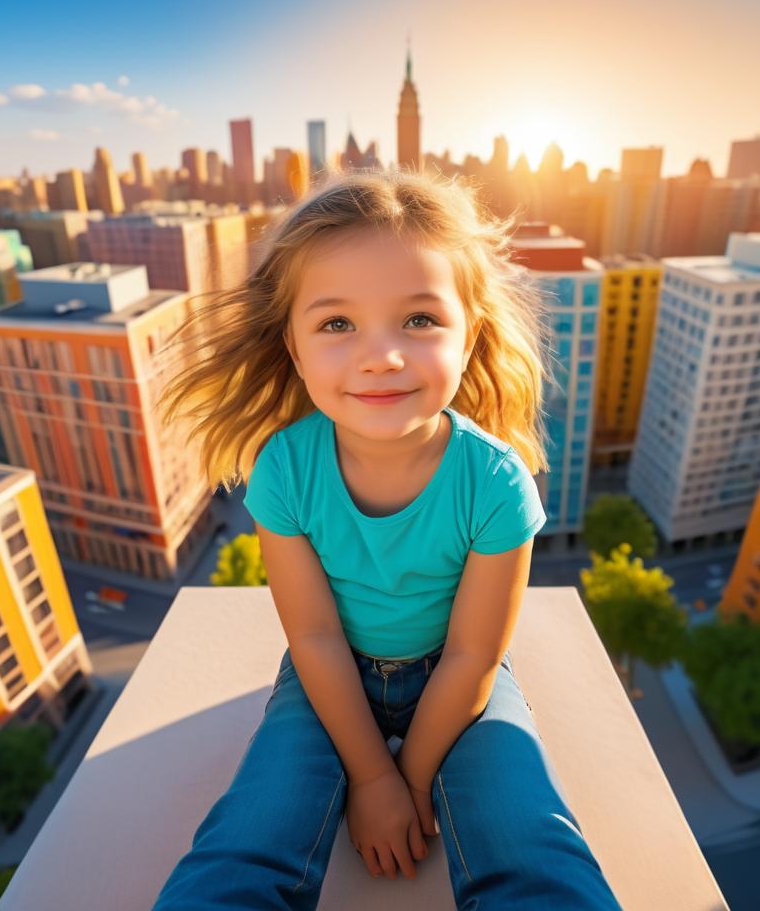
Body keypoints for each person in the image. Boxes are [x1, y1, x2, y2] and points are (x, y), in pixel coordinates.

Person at [152, 170, 622, 910]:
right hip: (325, 679)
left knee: (534, 845)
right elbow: (313, 637)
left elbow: (474, 653)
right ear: (296, 348)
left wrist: (407, 777)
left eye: (419, 320)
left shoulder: (494, 482)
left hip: (460, 679)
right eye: (338, 324)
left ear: (473, 337)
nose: (383, 355)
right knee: (245, 839)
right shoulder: (285, 470)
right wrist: (372, 778)